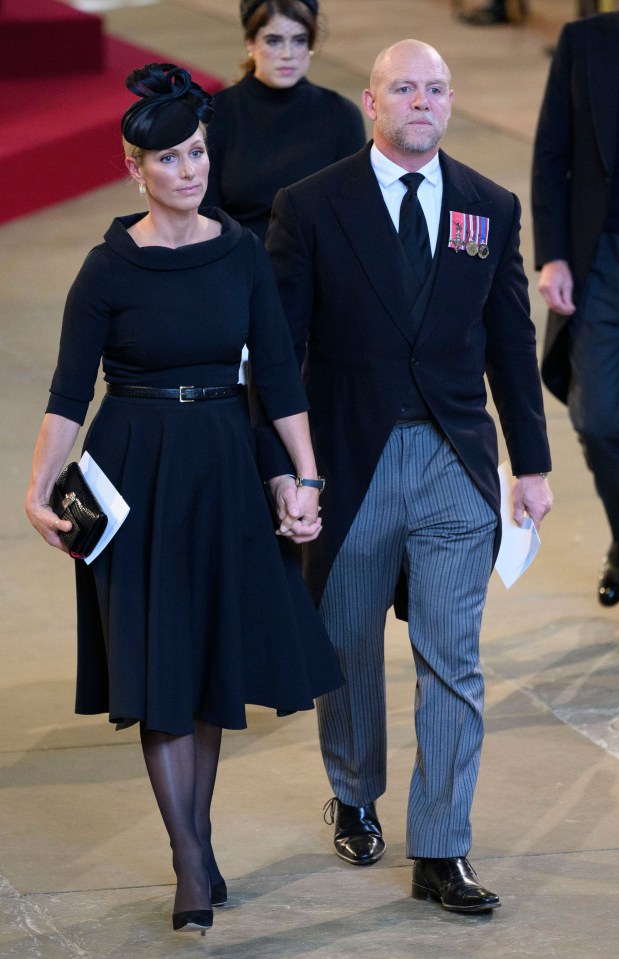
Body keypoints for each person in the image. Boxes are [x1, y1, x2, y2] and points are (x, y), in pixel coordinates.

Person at [24, 62, 343, 936]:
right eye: (168, 159)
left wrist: (305, 474)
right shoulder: (107, 268)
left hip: (224, 465)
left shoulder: (241, 250)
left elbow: (277, 373)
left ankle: (194, 846)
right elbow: (66, 391)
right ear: (135, 169)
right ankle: (191, 861)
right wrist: (37, 484)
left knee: (204, 669)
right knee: (159, 665)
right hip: (133, 472)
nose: (190, 169)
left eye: (197, 152)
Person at [264, 39, 553, 913]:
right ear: (370, 101)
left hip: (454, 460)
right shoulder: (310, 206)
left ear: (450, 102)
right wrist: (289, 472)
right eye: (403, 89)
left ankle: (441, 847)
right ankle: (354, 790)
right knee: (347, 644)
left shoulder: (487, 206)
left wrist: (531, 464)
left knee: (451, 661)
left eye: (434, 89)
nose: (420, 102)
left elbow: (511, 338)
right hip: (347, 457)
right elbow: (278, 354)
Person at [531, 1, 619, 645]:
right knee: (596, 420)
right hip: (598, 260)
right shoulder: (584, 42)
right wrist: (553, 255)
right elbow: (552, 155)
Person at [201, 0, 365, 242]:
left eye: (299, 40)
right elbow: (205, 214)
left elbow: (353, 212)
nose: (287, 54)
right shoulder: (219, 112)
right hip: (239, 261)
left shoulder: (341, 115)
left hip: (317, 265)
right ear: (250, 43)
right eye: (273, 41)